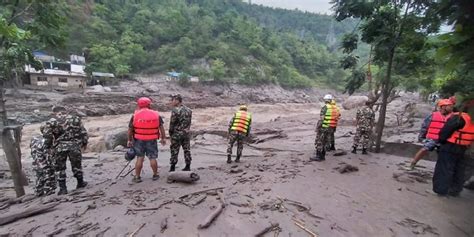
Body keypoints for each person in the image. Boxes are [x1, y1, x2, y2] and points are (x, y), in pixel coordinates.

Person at [432, 98, 474, 197]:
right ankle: (455, 190)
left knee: (444, 169)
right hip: (464, 147)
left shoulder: (459, 117)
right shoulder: (471, 119)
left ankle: (441, 190)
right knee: (459, 169)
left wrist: (440, 142)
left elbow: (445, 132)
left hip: (450, 146)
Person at [127, 97, 166, 183]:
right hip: (152, 139)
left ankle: (137, 177)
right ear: (148, 104)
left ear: (139, 105)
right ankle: (155, 175)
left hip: (138, 140)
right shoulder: (156, 115)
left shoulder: (135, 115)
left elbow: (130, 130)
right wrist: (163, 138)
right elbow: (161, 128)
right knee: (152, 157)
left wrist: (129, 140)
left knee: (140, 158)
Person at [408, 99, 454, 169]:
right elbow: (425, 126)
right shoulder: (433, 115)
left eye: (451, 106)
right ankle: (412, 164)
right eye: (449, 106)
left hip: (444, 139)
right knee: (424, 149)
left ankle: (441, 170)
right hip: (432, 138)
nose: (451, 108)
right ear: (443, 107)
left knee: (443, 155)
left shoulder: (453, 117)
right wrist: (421, 137)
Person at [51, 114, 89, 195]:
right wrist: (83, 145)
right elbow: (85, 137)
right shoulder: (80, 127)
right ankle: (80, 183)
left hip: (60, 147)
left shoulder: (60, 125)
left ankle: (63, 188)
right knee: (77, 166)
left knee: (60, 168)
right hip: (74, 146)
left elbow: (53, 134)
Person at [30, 125, 57, 196]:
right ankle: (48, 193)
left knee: (39, 178)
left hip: (36, 162)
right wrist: (53, 165)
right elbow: (48, 156)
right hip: (44, 163)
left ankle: (38, 193)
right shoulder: (45, 142)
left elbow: (32, 151)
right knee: (49, 179)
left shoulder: (34, 139)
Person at [169, 94, 193, 171]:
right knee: (187, 149)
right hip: (186, 133)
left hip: (177, 134)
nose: (171, 102)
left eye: (172, 100)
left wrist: (170, 133)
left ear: (177, 101)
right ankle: (188, 166)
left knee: (174, 150)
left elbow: (172, 123)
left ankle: (172, 167)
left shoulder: (175, 110)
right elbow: (189, 122)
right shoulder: (189, 110)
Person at [311, 94, 336, 161]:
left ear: (325, 100)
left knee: (319, 141)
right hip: (330, 128)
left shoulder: (325, 107)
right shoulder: (334, 108)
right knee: (325, 142)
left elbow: (322, 119)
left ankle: (318, 156)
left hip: (324, 127)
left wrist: (318, 127)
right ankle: (323, 156)